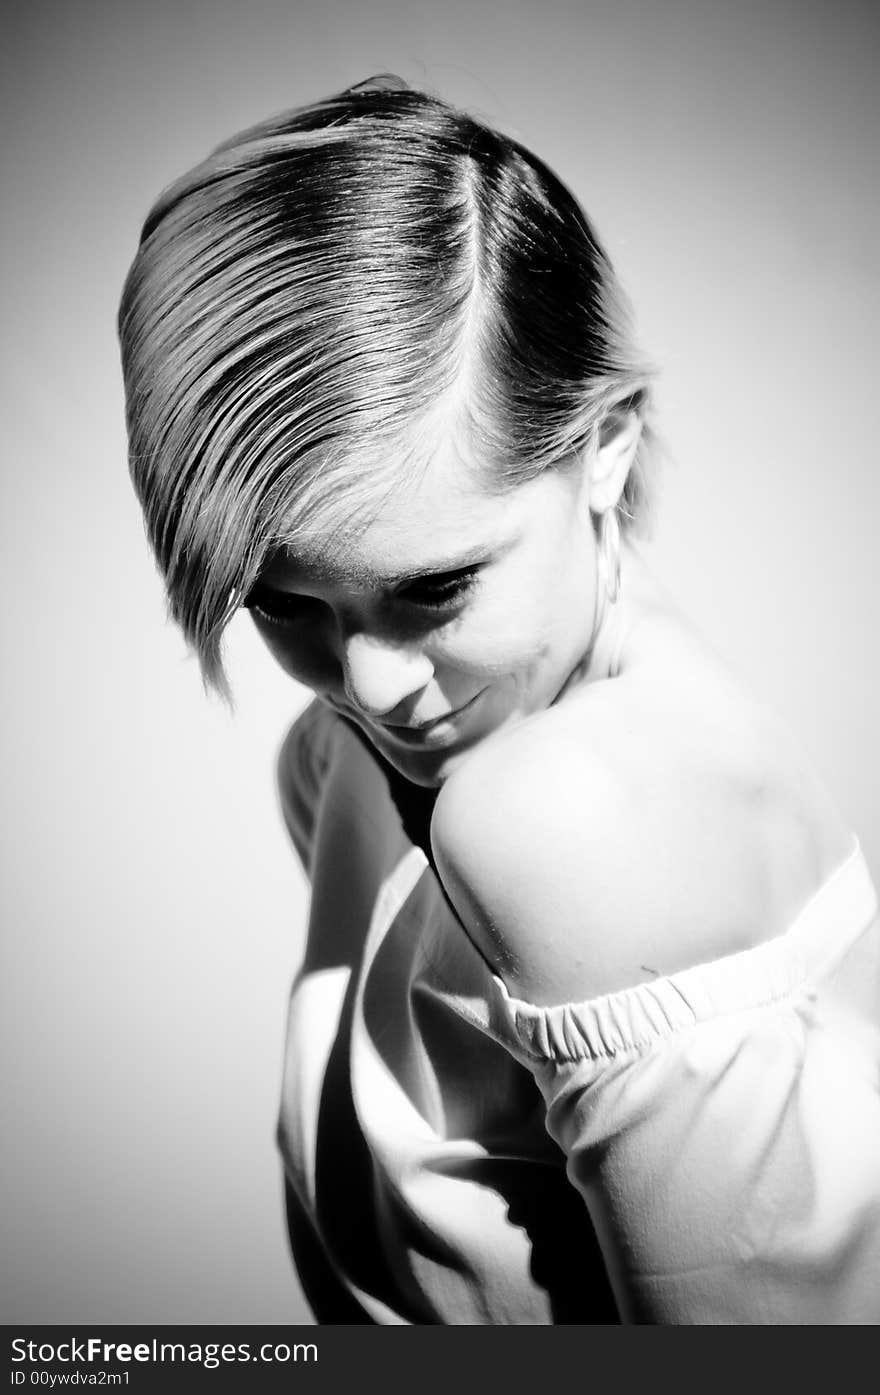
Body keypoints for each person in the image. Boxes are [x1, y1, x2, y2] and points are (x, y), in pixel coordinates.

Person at [118, 78, 880, 1325]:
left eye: (433, 586)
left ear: (607, 448)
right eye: (282, 602)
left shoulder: (562, 816)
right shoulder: (358, 759)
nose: (363, 684)